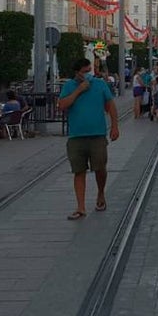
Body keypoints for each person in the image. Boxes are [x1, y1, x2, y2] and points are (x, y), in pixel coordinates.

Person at [58, 58, 119, 220]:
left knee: (100, 167)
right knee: (78, 171)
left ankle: (100, 193)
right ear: (77, 73)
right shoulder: (69, 86)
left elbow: (110, 105)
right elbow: (62, 105)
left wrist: (114, 126)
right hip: (76, 136)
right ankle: (81, 207)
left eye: (90, 70)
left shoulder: (99, 84)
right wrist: (79, 90)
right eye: (85, 71)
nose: (89, 74)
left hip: (97, 134)